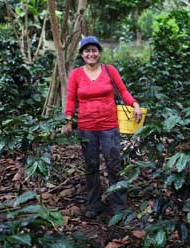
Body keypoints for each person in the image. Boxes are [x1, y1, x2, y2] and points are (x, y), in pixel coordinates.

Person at [62, 36, 143, 218]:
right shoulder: (76, 74)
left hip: (109, 126)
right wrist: (67, 120)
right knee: (91, 166)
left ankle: (119, 206)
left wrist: (134, 104)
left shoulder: (109, 70)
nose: (91, 54)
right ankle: (94, 205)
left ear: (99, 52)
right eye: (87, 51)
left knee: (114, 165)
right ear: (82, 54)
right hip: (86, 127)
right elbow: (71, 99)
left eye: (94, 50)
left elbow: (122, 90)